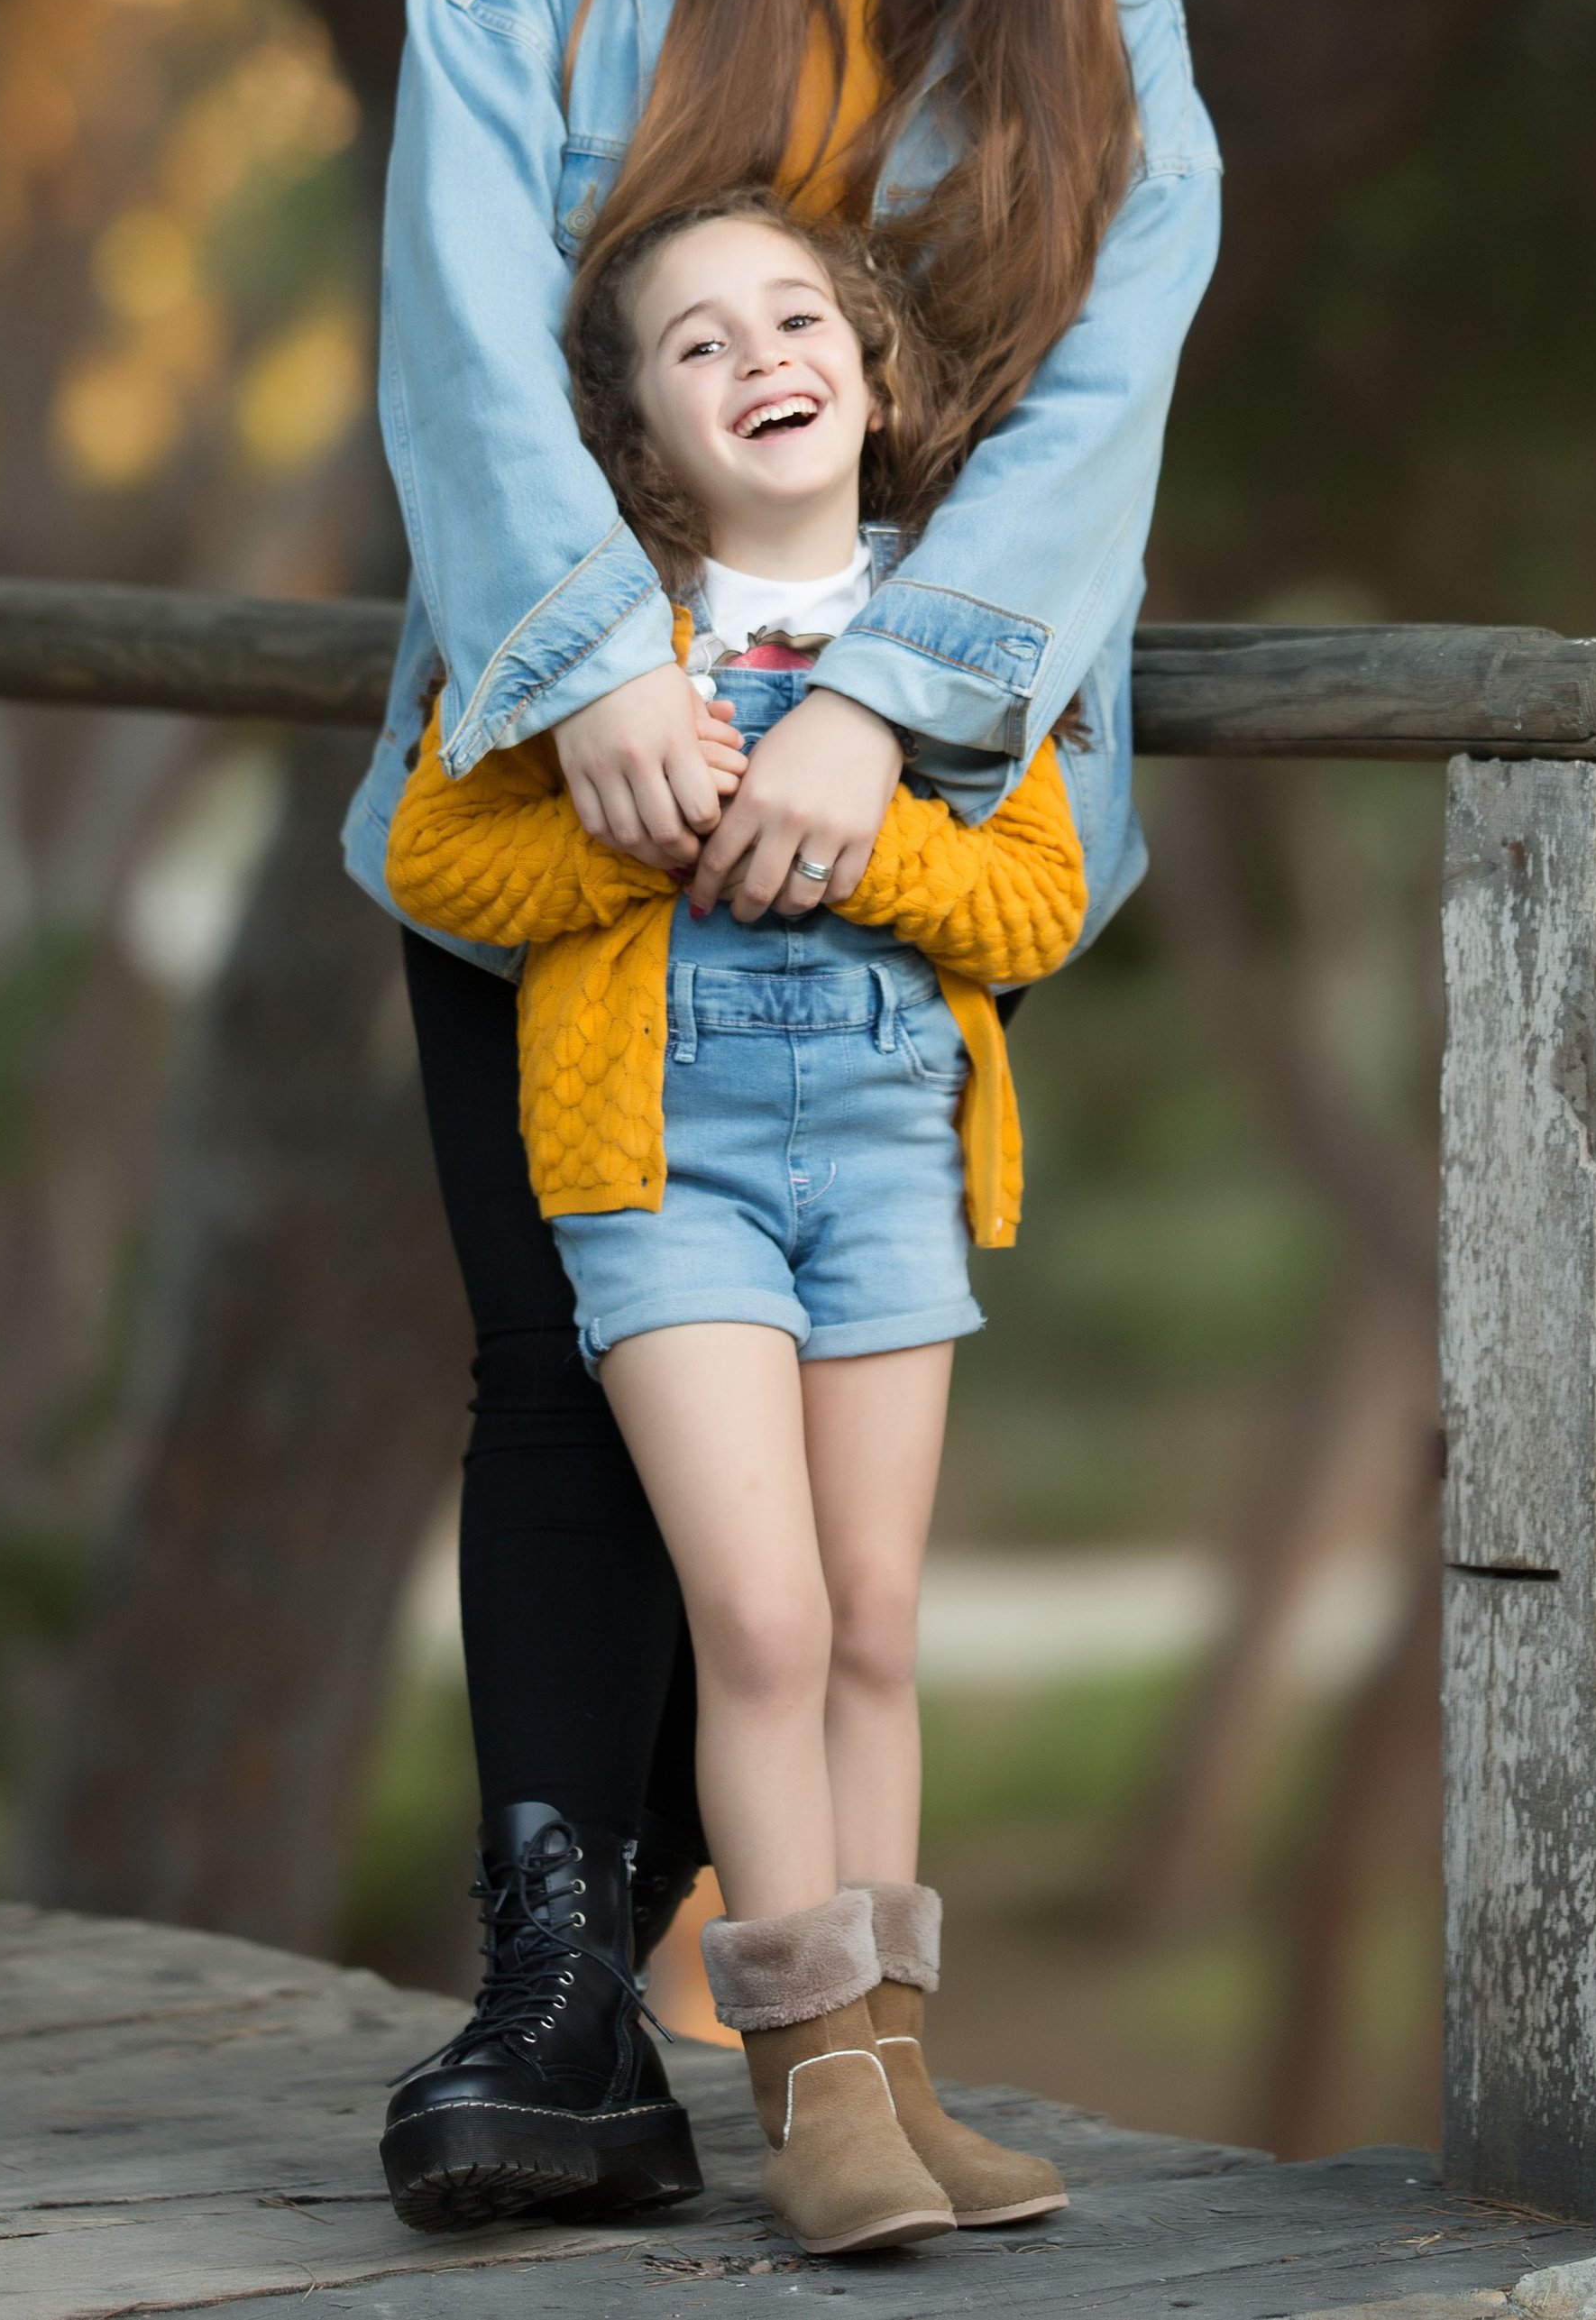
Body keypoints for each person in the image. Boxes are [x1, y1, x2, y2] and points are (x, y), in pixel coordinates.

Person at [342, 0, 1220, 2233]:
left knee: (832, 1555)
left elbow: (1098, 400)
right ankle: (557, 1990)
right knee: (551, 1375)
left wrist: (891, 706)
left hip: (895, 832)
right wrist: (595, 659)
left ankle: (762, 2024)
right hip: (560, 768)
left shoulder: (1097, 3)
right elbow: (463, 295)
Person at [388, 194, 1089, 2252]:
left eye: (798, 319)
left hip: (885, 1159)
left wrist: (869, 836)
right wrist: (636, 827)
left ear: (870, 381)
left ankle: (899, 2071)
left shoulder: (955, 629)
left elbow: (1034, 898)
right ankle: (808, 2087)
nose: (760, 352)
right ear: (635, 431)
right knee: (761, 1618)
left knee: (870, 1617)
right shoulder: (591, 638)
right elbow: (442, 856)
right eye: (696, 341)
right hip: (659, 1169)